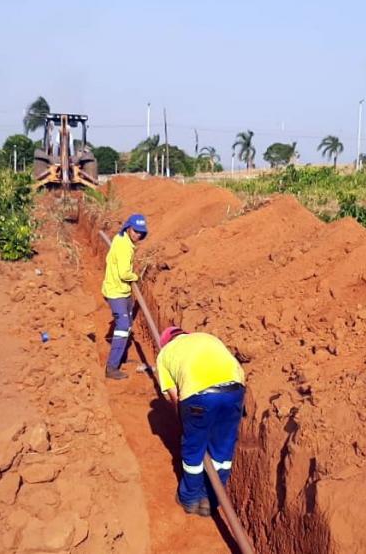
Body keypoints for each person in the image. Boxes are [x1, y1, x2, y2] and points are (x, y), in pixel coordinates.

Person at [156, 326, 246, 517]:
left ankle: (189, 499)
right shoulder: (208, 337)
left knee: (193, 450)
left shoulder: (165, 354)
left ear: (165, 343)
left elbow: (173, 397)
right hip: (235, 390)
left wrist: (185, 421)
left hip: (199, 397)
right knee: (222, 451)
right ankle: (210, 500)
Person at [102, 213, 148, 380]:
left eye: (141, 233)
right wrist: (135, 277)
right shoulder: (124, 247)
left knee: (127, 324)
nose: (138, 235)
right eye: (135, 231)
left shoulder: (121, 238)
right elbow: (123, 273)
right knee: (122, 327)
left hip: (123, 291)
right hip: (117, 291)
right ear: (128, 228)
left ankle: (120, 355)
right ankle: (112, 367)